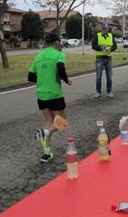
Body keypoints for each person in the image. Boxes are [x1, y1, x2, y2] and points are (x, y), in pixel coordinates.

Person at [28, 33, 72, 163]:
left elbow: (30, 77)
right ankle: (44, 133)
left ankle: (46, 153)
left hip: (41, 94)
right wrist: (66, 80)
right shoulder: (58, 54)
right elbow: (60, 69)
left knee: (49, 122)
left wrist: (43, 78)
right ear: (56, 42)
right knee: (62, 122)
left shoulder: (38, 56)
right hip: (55, 94)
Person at [92, 22, 117, 98]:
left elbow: (115, 46)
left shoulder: (111, 36)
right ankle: (98, 92)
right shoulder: (97, 35)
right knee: (98, 76)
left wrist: (111, 49)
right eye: (103, 28)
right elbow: (93, 46)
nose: (104, 30)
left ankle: (109, 92)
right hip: (100, 58)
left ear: (108, 29)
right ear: (101, 28)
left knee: (109, 76)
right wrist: (100, 47)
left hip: (108, 58)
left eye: (105, 28)